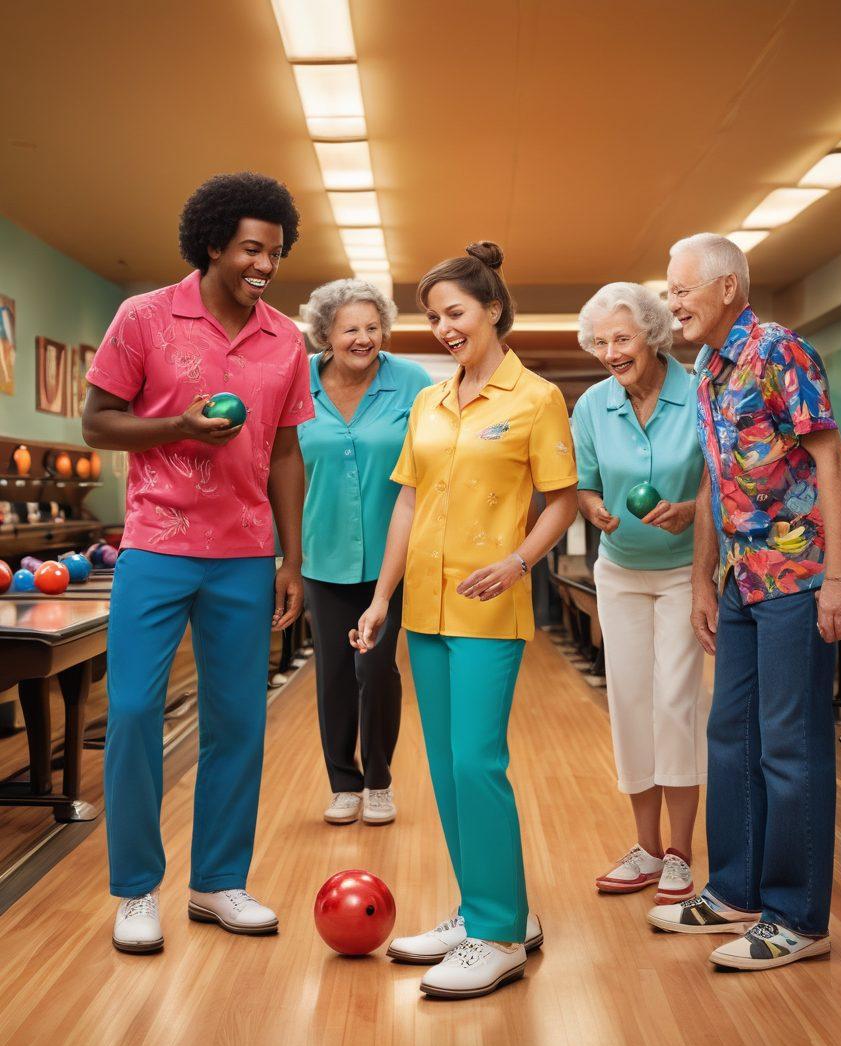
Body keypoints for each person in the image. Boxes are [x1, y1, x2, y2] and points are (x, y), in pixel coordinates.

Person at [82, 172, 311, 954]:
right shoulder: (143, 317)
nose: (265, 265)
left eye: (276, 252)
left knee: (239, 721)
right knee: (138, 712)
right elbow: (97, 424)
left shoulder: (287, 339)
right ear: (213, 243)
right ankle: (137, 888)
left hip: (246, 556)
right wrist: (177, 424)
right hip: (155, 544)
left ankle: (217, 881)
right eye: (252, 248)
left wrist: (292, 557)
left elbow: (286, 451)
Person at [351, 242, 578, 999]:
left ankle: (498, 936)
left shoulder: (535, 399)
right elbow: (407, 505)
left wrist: (519, 562)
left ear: (493, 310)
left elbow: (563, 502)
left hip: (490, 608)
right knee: (446, 772)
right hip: (423, 606)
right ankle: (488, 908)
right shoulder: (428, 400)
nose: (445, 328)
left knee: (478, 764)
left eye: (456, 313)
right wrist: (381, 597)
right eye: (434, 317)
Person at [649, 233, 841, 971]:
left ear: (728, 288)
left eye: (682, 290)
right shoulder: (707, 368)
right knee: (730, 734)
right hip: (741, 578)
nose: (672, 303)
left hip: (799, 577)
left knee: (789, 745)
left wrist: (840, 577)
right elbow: (715, 478)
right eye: (670, 291)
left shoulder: (779, 351)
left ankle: (799, 917)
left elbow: (831, 458)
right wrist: (703, 577)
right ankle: (735, 889)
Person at [572, 283, 708, 903]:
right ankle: (646, 849)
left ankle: (681, 851)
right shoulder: (594, 406)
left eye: (621, 339)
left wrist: (687, 512)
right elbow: (584, 484)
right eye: (599, 342)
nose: (609, 352)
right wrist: (594, 507)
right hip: (620, 571)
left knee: (676, 702)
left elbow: (717, 483)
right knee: (628, 701)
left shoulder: (698, 391)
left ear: (653, 335)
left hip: (686, 570)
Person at [298, 279, 430, 825]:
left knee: (374, 668)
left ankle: (378, 778)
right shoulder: (296, 381)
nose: (364, 338)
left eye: (373, 327)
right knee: (333, 673)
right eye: (350, 328)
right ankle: (342, 783)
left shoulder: (412, 382)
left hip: (392, 558)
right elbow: (275, 465)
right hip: (322, 556)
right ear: (326, 333)